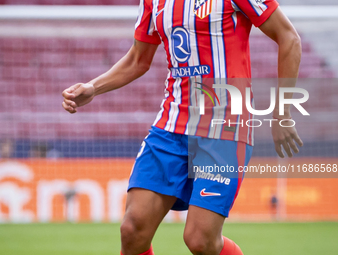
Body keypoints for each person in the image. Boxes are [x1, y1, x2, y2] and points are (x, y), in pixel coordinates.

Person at [62, 0, 303, 254]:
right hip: (172, 124)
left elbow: (289, 38)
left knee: (200, 240)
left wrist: (282, 113)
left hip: (225, 127)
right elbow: (137, 59)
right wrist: (93, 88)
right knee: (132, 230)